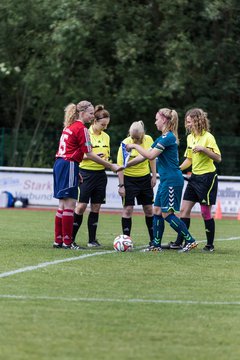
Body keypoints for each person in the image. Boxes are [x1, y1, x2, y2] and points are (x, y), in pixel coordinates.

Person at [125, 108, 198, 252]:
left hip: (172, 180)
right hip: (166, 180)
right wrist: (124, 165)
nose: (155, 122)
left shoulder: (168, 138)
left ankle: (190, 240)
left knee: (167, 213)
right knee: (157, 210)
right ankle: (156, 245)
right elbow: (144, 156)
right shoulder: (162, 138)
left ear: (164, 120)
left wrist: (134, 146)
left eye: (157, 119)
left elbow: (150, 156)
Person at [53, 100, 119, 250]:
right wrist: (110, 166)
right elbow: (88, 153)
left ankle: (59, 241)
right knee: (70, 205)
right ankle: (68, 243)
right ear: (82, 113)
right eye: (90, 113)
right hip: (68, 164)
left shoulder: (68, 126)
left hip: (60, 164)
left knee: (62, 205)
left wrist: (76, 172)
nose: (92, 116)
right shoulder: (81, 128)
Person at [169, 108, 221, 252]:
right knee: (184, 210)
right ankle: (180, 242)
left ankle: (210, 245)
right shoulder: (190, 137)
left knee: (205, 212)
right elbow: (189, 159)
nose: (187, 124)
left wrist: (204, 149)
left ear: (197, 121)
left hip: (207, 178)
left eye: (189, 121)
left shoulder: (208, 137)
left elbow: (218, 158)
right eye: (186, 122)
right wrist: (177, 169)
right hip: (194, 178)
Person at [72, 104, 111, 248]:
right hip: (86, 174)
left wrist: (106, 161)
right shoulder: (84, 132)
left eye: (106, 125)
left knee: (96, 207)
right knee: (81, 206)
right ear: (94, 121)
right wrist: (93, 157)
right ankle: (71, 239)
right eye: (102, 124)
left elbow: (107, 155)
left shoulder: (106, 137)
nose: (104, 128)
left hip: (101, 175)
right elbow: (80, 155)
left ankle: (92, 240)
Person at [117, 121, 157, 245]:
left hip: (144, 178)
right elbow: (120, 166)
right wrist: (121, 185)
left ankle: (153, 240)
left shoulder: (149, 139)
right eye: (132, 137)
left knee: (149, 209)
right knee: (128, 209)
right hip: (128, 179)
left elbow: (152, 158)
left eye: (137, 138)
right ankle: (126, 241)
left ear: (143, 134)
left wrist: (154, 175)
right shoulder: (125, 143)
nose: (134, 140)